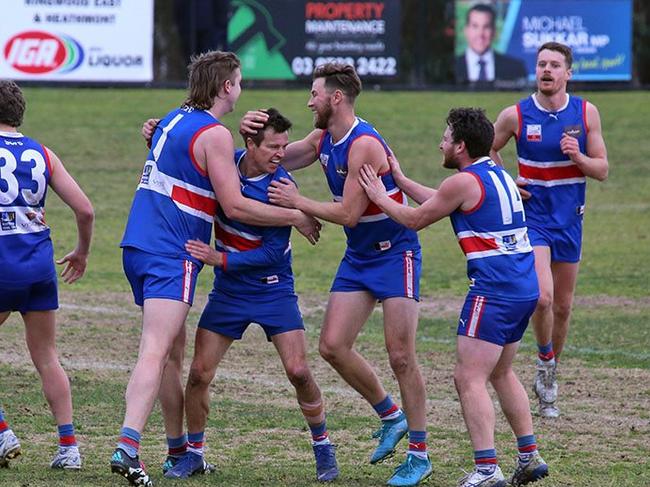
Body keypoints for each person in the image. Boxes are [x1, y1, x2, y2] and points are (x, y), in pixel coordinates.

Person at [111, 51, 321, 487]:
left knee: (170, 354)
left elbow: (167, 147)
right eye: (239, 82)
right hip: (172, 251)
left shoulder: (171, 118)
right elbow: (235, 204)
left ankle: (177, 451)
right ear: (227, 87)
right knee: (155, 349)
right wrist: (297, 215)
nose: (241, 89)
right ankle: (128, 448)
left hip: (136, 244)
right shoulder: (215, 135)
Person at [244, 63, 431, 487]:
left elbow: (348, 214)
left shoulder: (363, 144)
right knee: (331, 346)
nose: (308, 101)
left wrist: (297, 202)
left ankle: (419, 454)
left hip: (395, 252)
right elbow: (270, 157)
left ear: (335, 98)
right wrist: (244, 140)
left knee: (401, 357)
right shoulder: (324, 137)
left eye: (313, 93)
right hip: (359, 256)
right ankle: (391, 416)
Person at [358, 107, 549, 487]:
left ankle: (486, 469)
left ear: (460, 146)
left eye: (445, 139)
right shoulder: (495, 174)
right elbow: (442, 202)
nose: (440, 144)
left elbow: (416, 219)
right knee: (500, 371)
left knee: (468, 377)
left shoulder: (463, 182)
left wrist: (381, 196)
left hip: (494, 291)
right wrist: (402, 180)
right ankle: (529, 456)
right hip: (523, 287)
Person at [159, 108, 338, 483]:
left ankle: (323, 445)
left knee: (299, 371)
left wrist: (218, 258)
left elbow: (272, 254)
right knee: (199, 374)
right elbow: (181, 157)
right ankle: (194, 454)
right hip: (229, 293)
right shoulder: (225, 166)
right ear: (249, 144)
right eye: (273, 146)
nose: (281, 154)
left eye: (285, 146)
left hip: (273, 289)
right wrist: (153, 131)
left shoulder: (281, 188)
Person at [491, 42, 609, 418]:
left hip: (570, 219)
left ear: (567, 74)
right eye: (542, 64)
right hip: (534, 219)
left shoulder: (586, 113)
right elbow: (484, 152)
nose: (546, 70)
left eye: (555, 65)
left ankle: (549, 372)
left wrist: (578, 156)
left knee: (563, 306)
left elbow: (602, 169)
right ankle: (544, 359)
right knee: (542, 298)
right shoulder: (516, 115)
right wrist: (508, 181)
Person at [0, 80, 94, 470]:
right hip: (39, 264)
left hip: (1, 262)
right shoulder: (42, 152)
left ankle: (3, 432)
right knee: (47, 356)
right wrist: (82, 253)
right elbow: (86, 210)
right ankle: (69, 447)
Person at [455, 3, 527, 86]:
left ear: (494, 31)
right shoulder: (451, 67)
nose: (480, 34)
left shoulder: (515, 68)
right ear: (466, 30)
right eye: (475, 26)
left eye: (486, 27)